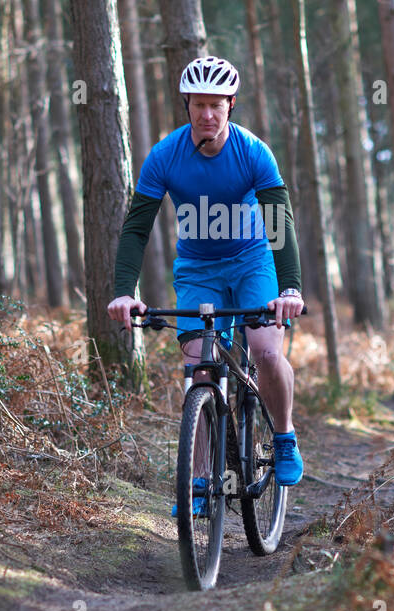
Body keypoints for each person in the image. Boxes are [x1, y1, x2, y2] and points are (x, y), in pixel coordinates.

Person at [107, 56, 306, 516]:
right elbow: (138, 228)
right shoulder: (165, 156)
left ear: (231, 105)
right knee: (201, 368)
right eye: (199, 105)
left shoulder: (254, 152)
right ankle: (197, 479)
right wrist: (124, 290)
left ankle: (284, 437)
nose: (207, 115)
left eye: (216, 105)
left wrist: (290, 289)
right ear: (188, 106)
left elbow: (279, 220)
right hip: (198, 269)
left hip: (253, 260)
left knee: (266, 350)